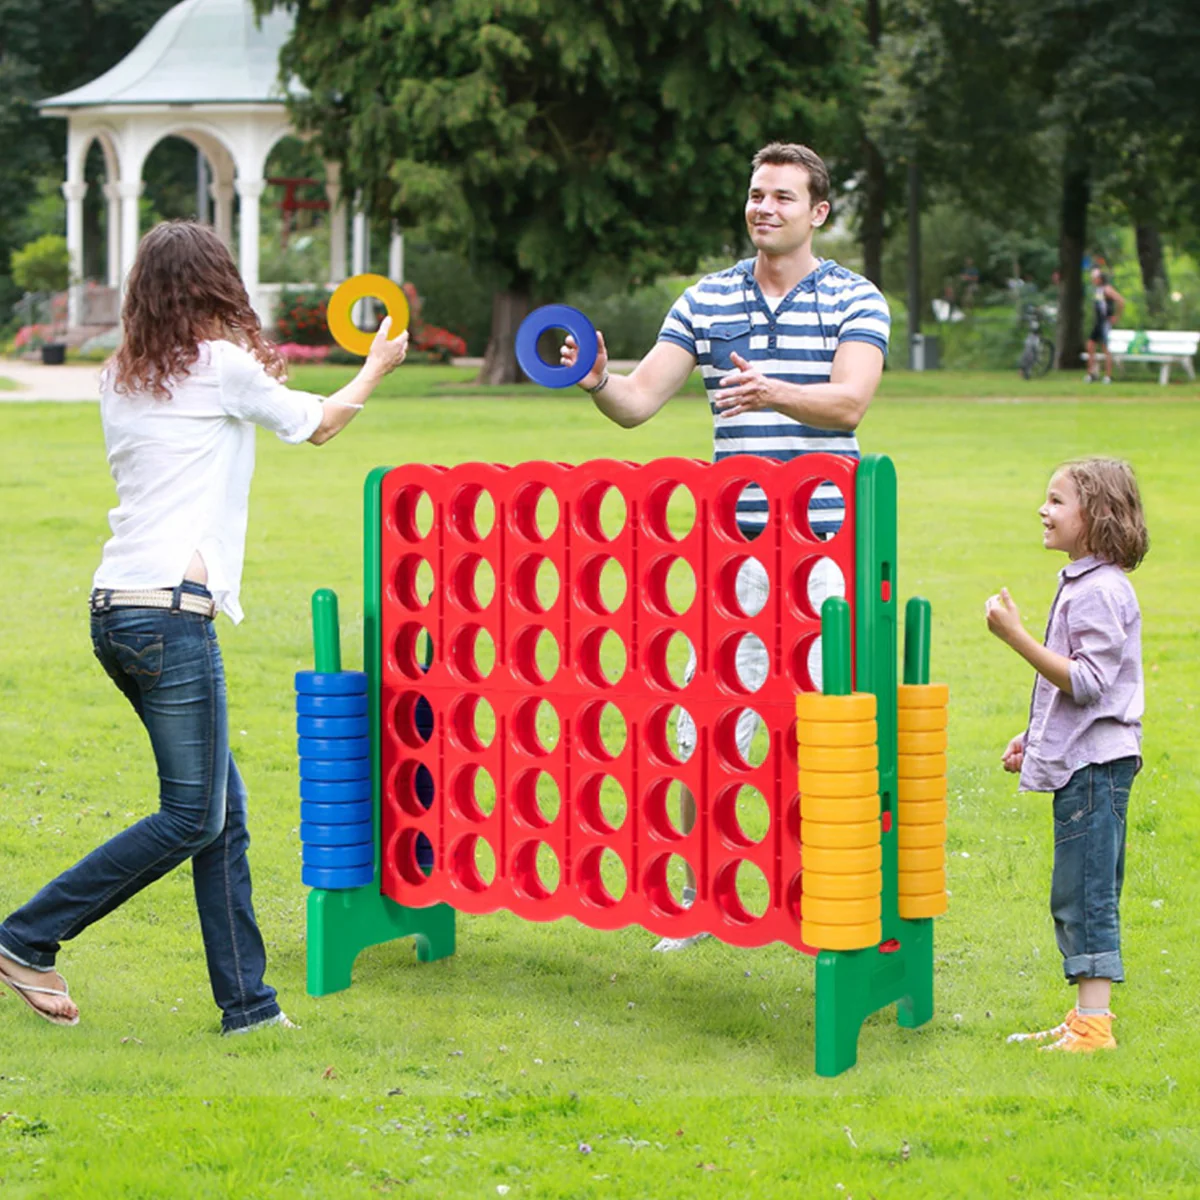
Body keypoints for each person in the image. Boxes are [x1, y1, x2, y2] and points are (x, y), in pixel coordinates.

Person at [0, 221, 409, 1032]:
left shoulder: (120, 375)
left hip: (116, 610)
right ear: (215, 284)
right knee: (193, 816)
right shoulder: (218, 368)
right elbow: (319, 424)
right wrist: (374, 368)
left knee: (222, 813)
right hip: (170, 620)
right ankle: (25, 937)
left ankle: (249, 1009)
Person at [561, 142, 890, 951]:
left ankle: (828, 892)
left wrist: (771, 390)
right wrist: (600, 379)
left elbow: (850, 404)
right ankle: (698, 892)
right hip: (736, 551)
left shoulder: (856, 298)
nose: (763, 208)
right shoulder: (706, 302)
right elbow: (639, 403)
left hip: (824, 547)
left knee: (825, 723)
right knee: (703, 721)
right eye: (755, 194)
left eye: (782, 196)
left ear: (817, 212)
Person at [985, 458, 1148, 1052]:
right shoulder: (1084, 582)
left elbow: (1087, 684)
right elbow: (1077, 693)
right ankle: (1084, 1015)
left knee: (1088, 891)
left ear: (1095, 516)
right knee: (1076, 888)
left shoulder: (1101, 591)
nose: (1042, 510)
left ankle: (1094, 1027)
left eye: (1056, 501)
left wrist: (1015, 638)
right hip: (1084, 759)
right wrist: (1035, 739)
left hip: (1098, 768)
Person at [1085, 268, 1125, 384]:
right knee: (1090, 345)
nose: (1093, 280)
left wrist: (1116, 316)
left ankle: (1108, 375)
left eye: (1095, 278)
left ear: (1100, 279)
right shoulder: (1097, 290)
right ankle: (1091, 373)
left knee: (1105, 348)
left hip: (1104, 322)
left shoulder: (1107, 289)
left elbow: (1120, 300)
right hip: (1098, 322)